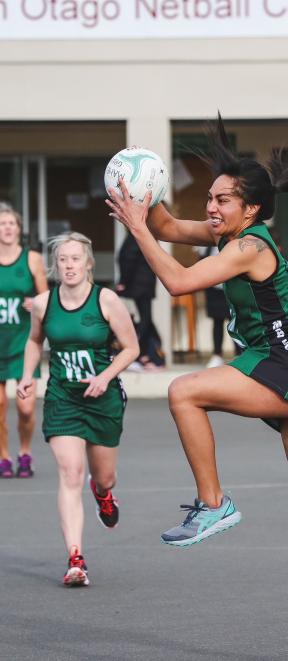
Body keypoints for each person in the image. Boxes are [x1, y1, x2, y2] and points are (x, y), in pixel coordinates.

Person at [106, 116, 288, 654]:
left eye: (221, 200)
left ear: (252, 209)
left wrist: (137, 226)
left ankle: (214, 503)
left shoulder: (249, 246)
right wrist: (148, 188)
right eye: (210, 198)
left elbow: (177, 281)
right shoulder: (227, 236)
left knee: (183, 391)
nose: (211, 208)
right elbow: (169, 227)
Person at [17, 232, 139, 587]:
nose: (69, 266)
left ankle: (102, 493)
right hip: (63, 398)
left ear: (88, 264)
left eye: (75, 259)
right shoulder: (43, 303)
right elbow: (35, 340)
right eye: (63, 260)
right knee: (70, 473)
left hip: (102, 399)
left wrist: (105, 376)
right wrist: (28, 375)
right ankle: (75, 558)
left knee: (104, 476)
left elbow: (131, 348)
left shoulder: (106, 300)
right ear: (56, 266)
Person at [0, 203, 48, 479]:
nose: (7, 228)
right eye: (2, 224)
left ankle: (25, 452)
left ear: (18, 228)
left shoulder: (31, 259)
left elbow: (46, 298)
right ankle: (4, 456)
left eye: (11, 223)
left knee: (25, 407)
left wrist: (35, 302)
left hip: (22, 342)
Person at [116, 231, 165, 370]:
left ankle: (140, 354)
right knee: (146, 319)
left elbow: (127, 258)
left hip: (139, 284)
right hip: (143, 284)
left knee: (145, 320)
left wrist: (123, 281)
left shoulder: (137, 235)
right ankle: (146, 355)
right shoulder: (144, 235)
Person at [196, 244, 232, 368]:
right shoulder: (208, 245)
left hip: (232, 287)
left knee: (236, 322)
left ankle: (240, 354)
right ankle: (217, 355)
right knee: (217, 321)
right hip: (214, 287)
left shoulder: (234, 242)